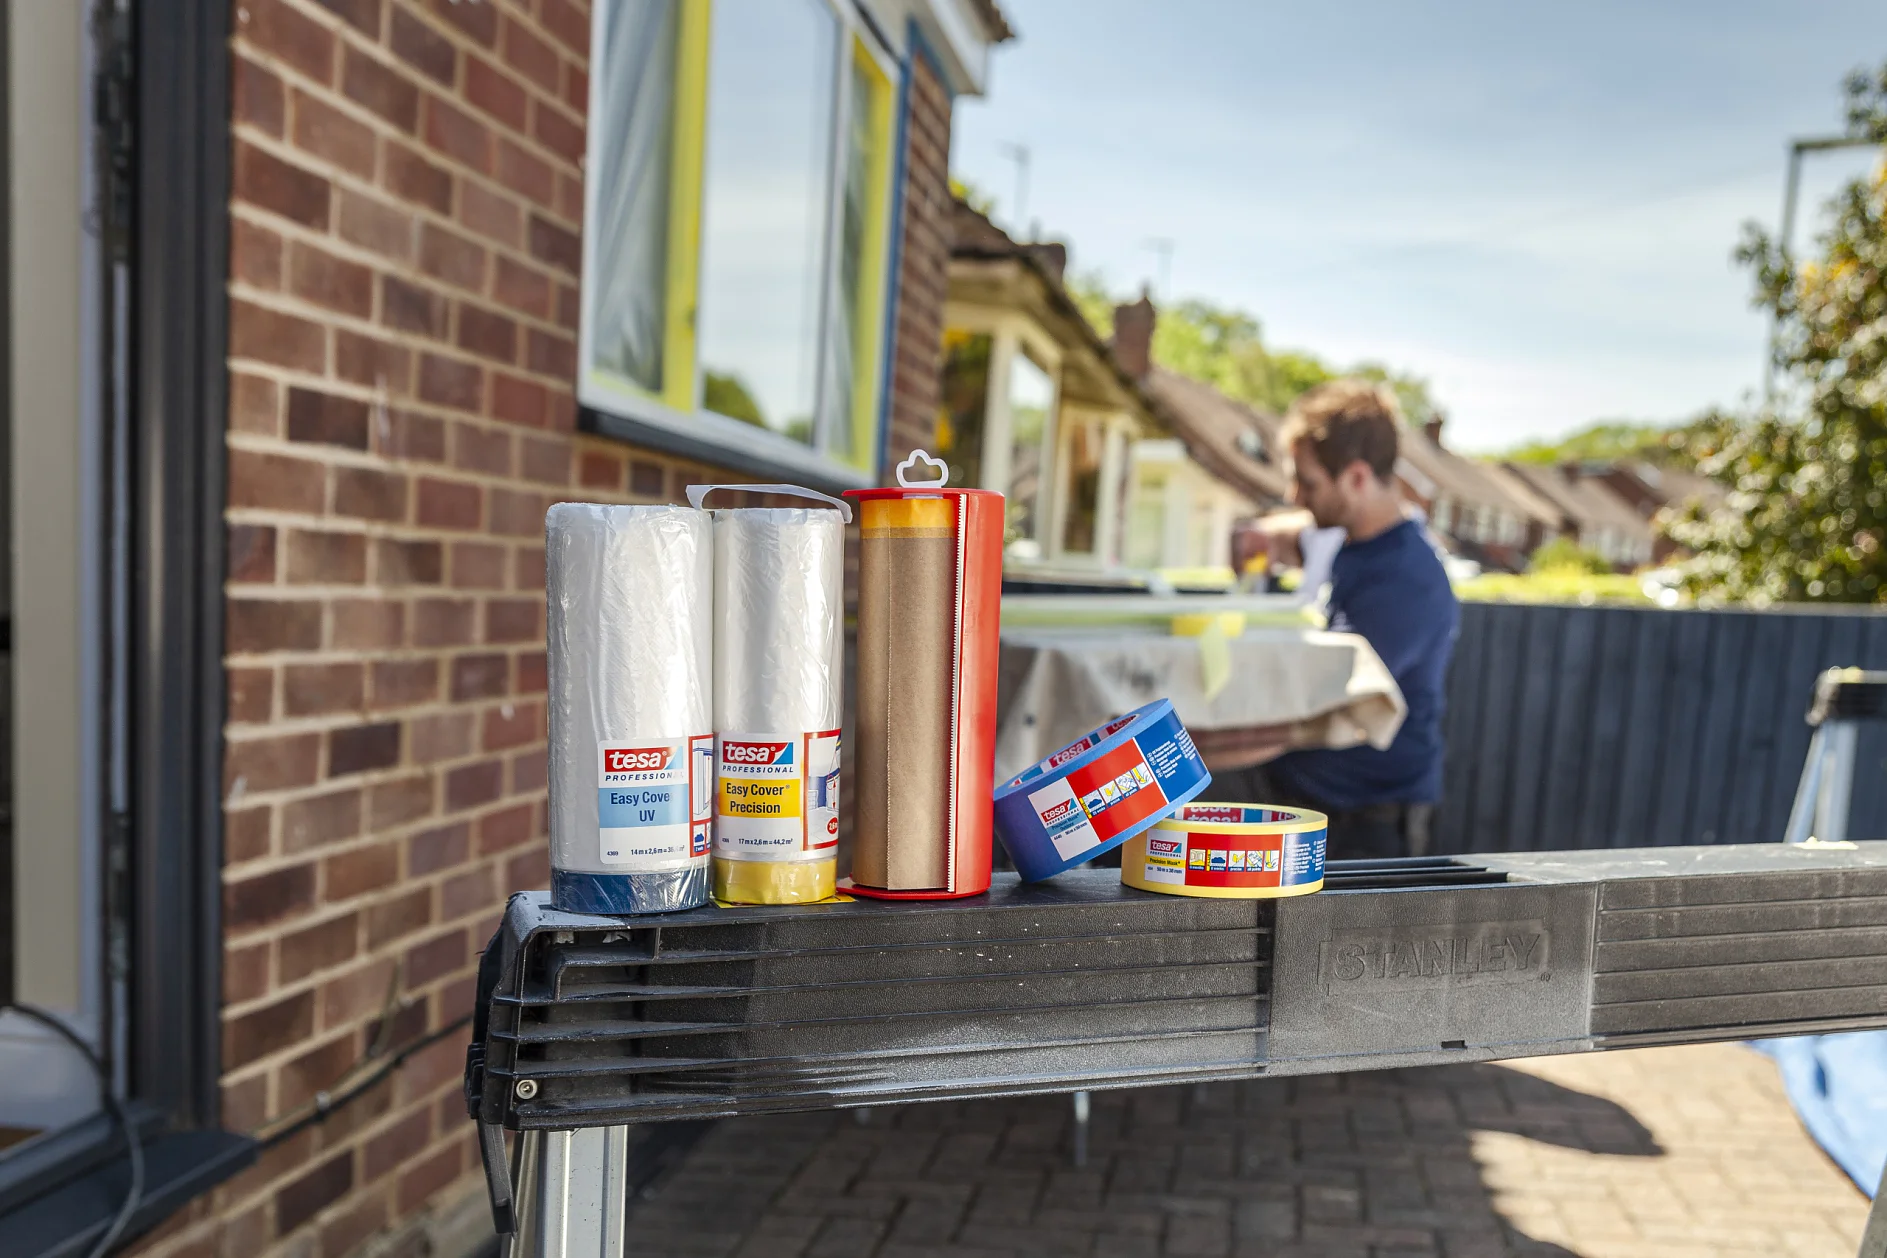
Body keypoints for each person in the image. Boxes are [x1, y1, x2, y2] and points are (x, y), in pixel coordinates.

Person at [1214, 380, 1459, 860]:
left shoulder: (1407, 581)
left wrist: (1198, 747)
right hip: (1303, 793)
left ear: (1357, 478)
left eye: (1306, 482)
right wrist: (1262, 535)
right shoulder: (1350, 537)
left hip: (1365, 825)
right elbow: (1295, 533)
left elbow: (1315, 706)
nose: (1294, 495)